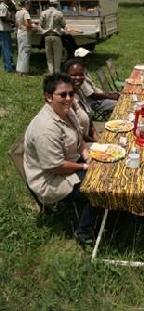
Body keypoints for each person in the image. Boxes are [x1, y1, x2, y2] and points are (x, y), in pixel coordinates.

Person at [24, 73, 96, 245]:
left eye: (71, 93)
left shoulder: (67, 112)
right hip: (50, 179)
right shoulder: (46, 128)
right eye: (63, 95)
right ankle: (84, 231)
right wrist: (85, 167)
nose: (69, 98)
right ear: (48, 97)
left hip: (70, 163)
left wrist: (87, 155)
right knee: (98, 185)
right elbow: (55, 166)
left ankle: (105, 208)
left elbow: (79, 140)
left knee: (108, 164)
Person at [74, 48, 119, 117]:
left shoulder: (84, 70)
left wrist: (108, 94)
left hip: (98, 97)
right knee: (120, 103)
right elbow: (93, 96)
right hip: (93, 103)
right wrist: (110, 96)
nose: (87, 60)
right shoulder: (80, 75)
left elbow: (94, 89)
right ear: (77, 59)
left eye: (87, 57)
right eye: (83, 58)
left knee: (119, 96)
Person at [63, 58, 99, 142]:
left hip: (89, 139)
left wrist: (98, 138)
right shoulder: (66, 100)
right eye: (74, 75)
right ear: (66, 75)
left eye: (81, 74)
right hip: (79, 145)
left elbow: (90, 124)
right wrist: (96, 142)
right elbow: (78, 133)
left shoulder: (79, 92)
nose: (78, 78)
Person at [39, 0, 66, 73]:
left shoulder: (43, 13)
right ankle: (57, 72)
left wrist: (43, 31)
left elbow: (40, 25)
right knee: (57, 56)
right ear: (56, 4)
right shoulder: (59, 13)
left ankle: (51, 72)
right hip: (56, 36)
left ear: (49, 4)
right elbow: (63, 25)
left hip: (47, 36)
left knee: (49, 57)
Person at [15, 0, 33, 75]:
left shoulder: (18, 12)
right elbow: (27, 24)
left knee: (20, 51)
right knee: (26, 52)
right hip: (25, 33)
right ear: (26, 5)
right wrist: (33, 27)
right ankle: (24, 71)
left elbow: (16, 24)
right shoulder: (26, 12)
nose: (30, 7)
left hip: (19, 32)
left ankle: (19, 70)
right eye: (29, 5)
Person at [0, 0, 16, 72]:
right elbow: (3, 17)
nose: (11, 4)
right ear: (7, 0)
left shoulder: (5, 7)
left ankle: (9, 65)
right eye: (11, 2)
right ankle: (8, 68)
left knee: (7, 48)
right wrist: (12, 21)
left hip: (5, 30)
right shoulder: (3, 7)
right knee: (6, 49)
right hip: (3, 30)